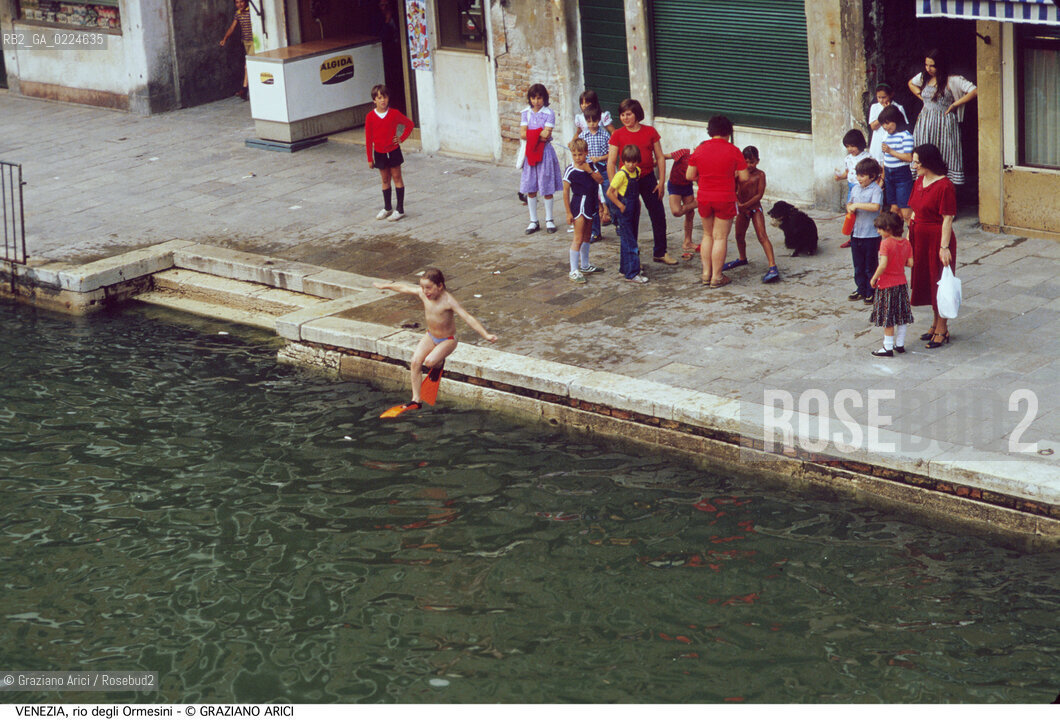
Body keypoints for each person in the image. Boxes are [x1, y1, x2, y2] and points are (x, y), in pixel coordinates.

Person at [372, 268, 497, 411]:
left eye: (429, 288)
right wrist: (385, 286)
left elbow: (468, 317)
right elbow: (403, 287)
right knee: (415, 362)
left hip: (448, 340)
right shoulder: (423, 294)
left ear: (440, 286)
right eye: (423, 287)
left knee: (430, 362)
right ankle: (416, 400)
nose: (425, 291)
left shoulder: (448, 301)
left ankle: (439, 364)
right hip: (430, 336)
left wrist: (485, 335)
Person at [607, 99, 676, 265]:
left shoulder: (650, 131)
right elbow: (611, 162)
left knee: (658, 214)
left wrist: (661, 182)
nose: (625, 118)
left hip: (647, 177)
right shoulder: (617, 134)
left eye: (628, 114)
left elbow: (660, 157)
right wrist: (613, 186)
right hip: (627, 180)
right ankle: (632, 255)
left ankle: (660, 252)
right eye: (622, 115)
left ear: (636, 114)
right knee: (630, 216)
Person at [686, 115, 750, 288]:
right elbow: (744, 177)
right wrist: (732, 174)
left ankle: (706, 274)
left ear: (710, 131)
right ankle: (717, 277)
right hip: (725, 197)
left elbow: (689, 175)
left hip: (705, 197)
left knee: (707, 235)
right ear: (728, 132)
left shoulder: (699, 149)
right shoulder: (734, 150)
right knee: (720, 237)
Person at [907, 143, 958, 349]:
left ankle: (942, 328)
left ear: (927, 162)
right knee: (927, 281)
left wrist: (943, 247)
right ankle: (935, 323)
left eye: (917, 161)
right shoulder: (920, 181)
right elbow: (914, 210)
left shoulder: (945, 186)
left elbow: (947, 218)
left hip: (937, 238)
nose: (914, 165)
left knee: (940, 281)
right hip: (919, 237)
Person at [908, 49, 978, 185]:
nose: (928, 68)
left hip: (944, 123)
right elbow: (911, 83)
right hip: (925, 122)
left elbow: (974, 91)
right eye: (926, 65)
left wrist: (955, 105)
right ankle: (926, 185)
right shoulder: (924, 77)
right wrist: (921, 97)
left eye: (932, 65)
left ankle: (943, 187)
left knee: (945, 152)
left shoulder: (952, 80)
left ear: (940, 65)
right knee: (924, 153)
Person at [724, 146, 780, 283]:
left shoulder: (760, 175)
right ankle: (742, 258)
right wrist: (738, 204)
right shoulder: (738, 174)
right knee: (738, 235)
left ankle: (772, 265)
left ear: (758, 161)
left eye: (752, 162)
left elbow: (759, 195)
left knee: (762, 236)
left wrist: (745, 205)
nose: (749, 165)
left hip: (755, 209)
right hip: (742, 210)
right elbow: (731, 189)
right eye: (746, 162)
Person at [868, 211, 914, 357]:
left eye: (880, 229)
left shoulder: (885, 243)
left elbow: (883, 265)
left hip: (887, 284)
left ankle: (887, 347)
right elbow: (911, 263)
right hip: (901, 283)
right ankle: (899, 344)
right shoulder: (906, 243)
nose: (878, 231)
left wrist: (874, 277)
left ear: (888, 228)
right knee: (901, 315)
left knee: (888, 317)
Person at [365, 84, 414, 221]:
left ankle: (400, 209)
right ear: (374, 100)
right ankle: (387, 207)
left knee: (397, 177)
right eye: (379, 98)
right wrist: (370, 158)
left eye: (384, 97)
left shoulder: (394, 113)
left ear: (388, 98)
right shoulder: (370, 117)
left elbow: (409, 124)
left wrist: (401, 139)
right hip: (379, 152)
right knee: (385, 179)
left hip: (393, 151)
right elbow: (368, 139)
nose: (382, 100)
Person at [520, 84, 564, 235]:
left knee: (546, 185)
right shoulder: (525, 113)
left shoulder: (549, 113)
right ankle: (533, 220)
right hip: (531, 152)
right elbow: (522, 134)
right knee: (531, 186)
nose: (536, 101)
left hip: (544, 153)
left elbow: (547, 134)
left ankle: (549, 219)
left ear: (544, 98)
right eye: (533, 98)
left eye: (539, 98)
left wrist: (533, 133)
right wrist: (538, 133)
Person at [562, 138, 605, 283]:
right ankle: (573, 269)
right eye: (574, 155)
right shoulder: (570, 170)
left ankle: (585, 265)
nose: (577, 158)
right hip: (579, 204)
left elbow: (600, 180)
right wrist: (568, 212)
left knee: (587, 236)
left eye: (580, 154)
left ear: (586, 153)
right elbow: (565, 192)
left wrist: (589, 170)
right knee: (578, 237)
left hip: (591, 203)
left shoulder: (591, 166)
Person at [606, 144, 649, 284]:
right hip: (625, 208)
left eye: (634, 161)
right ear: (623, 161)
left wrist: (638, 202)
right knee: (630, 241)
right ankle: (632, 273)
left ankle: (624, 268)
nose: (631, 165)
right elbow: (609, 193)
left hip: (634, 206)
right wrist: (620, 205)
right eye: (628, 162)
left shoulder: (637, 171)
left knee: (629, 238)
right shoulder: (621, 174)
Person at [846, 157, 884, 304]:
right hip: (856, 233)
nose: (858, 178)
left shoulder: (876, 190)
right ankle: (860, 288)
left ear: (872, 176)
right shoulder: (855, 188)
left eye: (862, 175)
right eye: (858, 174)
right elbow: (850, 202)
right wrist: (850, 206)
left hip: (871, 234)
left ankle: (871, 290)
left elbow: (875, 207)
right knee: (858, 264)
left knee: (870, 265)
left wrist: (857, 205)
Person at [579, 106, 611, 242]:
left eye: (595, 121)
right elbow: (579, 152)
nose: (592, 124)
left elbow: (611, 153)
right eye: (589, 121)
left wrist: (599, 159)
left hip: (603, 170)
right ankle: (596, 232)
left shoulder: (604, 134)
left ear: (599, 120)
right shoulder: (583, 136)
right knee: (593, 202)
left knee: (609, 197)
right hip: (589, 171)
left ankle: (616, 221)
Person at [878, 105, 915, 222]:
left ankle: (912, 238)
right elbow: (886, 158)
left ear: (896, 120)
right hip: (889, 175)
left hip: (901, 174)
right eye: (883, 124)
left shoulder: (906, 135)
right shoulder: (886, 136)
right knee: (894, 209)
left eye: (887, 123)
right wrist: (883, 178)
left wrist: (891, 151)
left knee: (906, 211)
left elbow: (909, 158)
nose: (885, 127)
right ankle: (896, 238)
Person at [664, 147, 697, 260]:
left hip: (687, 187)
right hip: (675, 185)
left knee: (690, 213)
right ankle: (696, 203)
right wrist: (652, 163)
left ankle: (687, 242)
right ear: (695, 149)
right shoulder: (684, 152)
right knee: (676, 212)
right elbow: (664, 156)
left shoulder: (701, 163)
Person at [868, 83, 909, 166]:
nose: (881, 100)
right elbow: (873, 126)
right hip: (878, 141)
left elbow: (903, 126)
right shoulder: (875, 107)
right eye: (878, 97)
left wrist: (891, 110)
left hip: (893, 141)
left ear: (891, 95)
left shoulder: (898, 107)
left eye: (884, 97)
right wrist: (885, 111)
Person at [219, 0, 253, 100]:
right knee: (250, 65)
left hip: (255, 42)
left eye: (241, 2)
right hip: (246, 42)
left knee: (248, 65)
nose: (239, 5)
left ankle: (244, 88)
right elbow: (232, 27)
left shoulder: (251, 11)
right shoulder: (238, 14)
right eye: (237, 3)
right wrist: (224, 38)